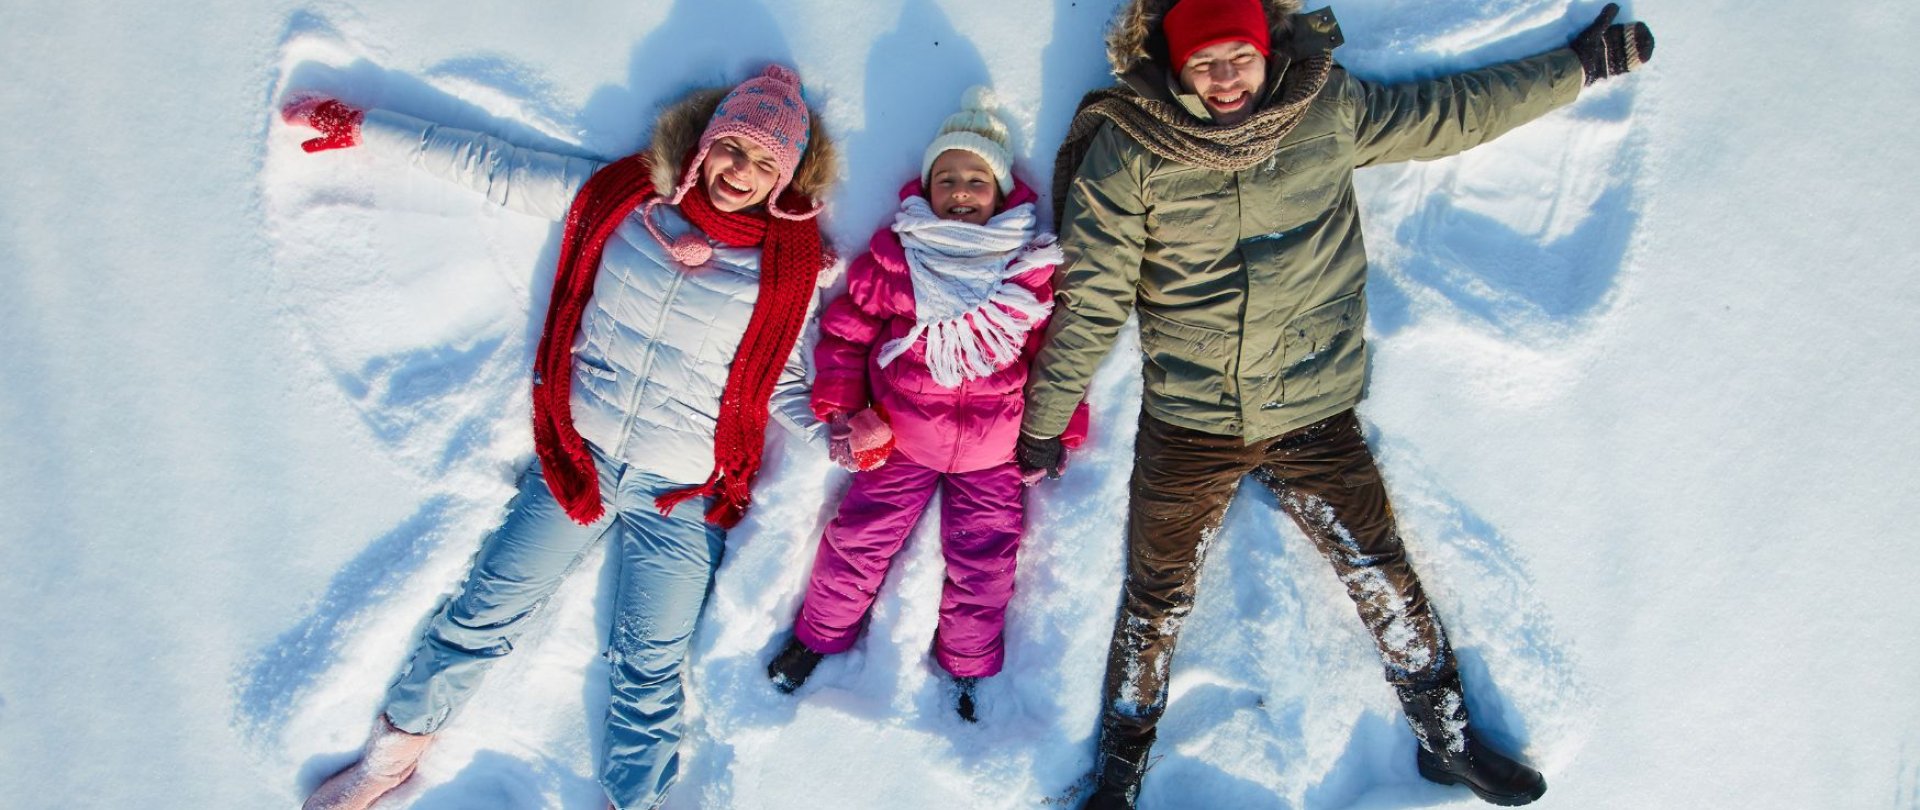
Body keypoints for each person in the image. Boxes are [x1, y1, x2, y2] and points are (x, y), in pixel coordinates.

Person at [1015, 0, 1654, 806]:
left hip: (1312, 404)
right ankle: (1119, 774)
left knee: (1380, 569)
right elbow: (1095, 300)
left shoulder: (1322, 109)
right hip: (1191, 420)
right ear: (1171, 66)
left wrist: (1580, 67)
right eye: (1203, 62)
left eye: (1237, 57)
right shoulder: (1130, 150)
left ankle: (1445, 738)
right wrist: (1044, 422)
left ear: (1264, 48)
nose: (1223, 79)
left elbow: (1450, 114)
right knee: (1156, 598)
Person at [279, 64, 838, 810]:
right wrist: (366, 129)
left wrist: (843, 439)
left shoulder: (789, 269)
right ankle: (389, 761)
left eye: (766, 162)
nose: (742, 172)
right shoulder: (622, 199)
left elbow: (784, 385)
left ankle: (633, 802)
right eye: (735, 148)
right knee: (482, 612)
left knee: (648, 667)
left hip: (680, 494)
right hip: (579, 461)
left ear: (786, 176)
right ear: (705, 144)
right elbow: (496, 168)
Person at [762, 87, 1090, 722]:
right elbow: (848, 331)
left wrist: (1061, 428)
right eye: (947, 179)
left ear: (1000, 191)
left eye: (975, 179)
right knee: (857, 542)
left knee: (985, 560)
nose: (961, 191)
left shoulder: (1025, 267)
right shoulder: (896, 256)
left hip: (996, 452)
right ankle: (817, 636)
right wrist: (839, 403)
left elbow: (1055, 354)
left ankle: (968, 665)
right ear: (927, 187)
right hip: (900, 439)